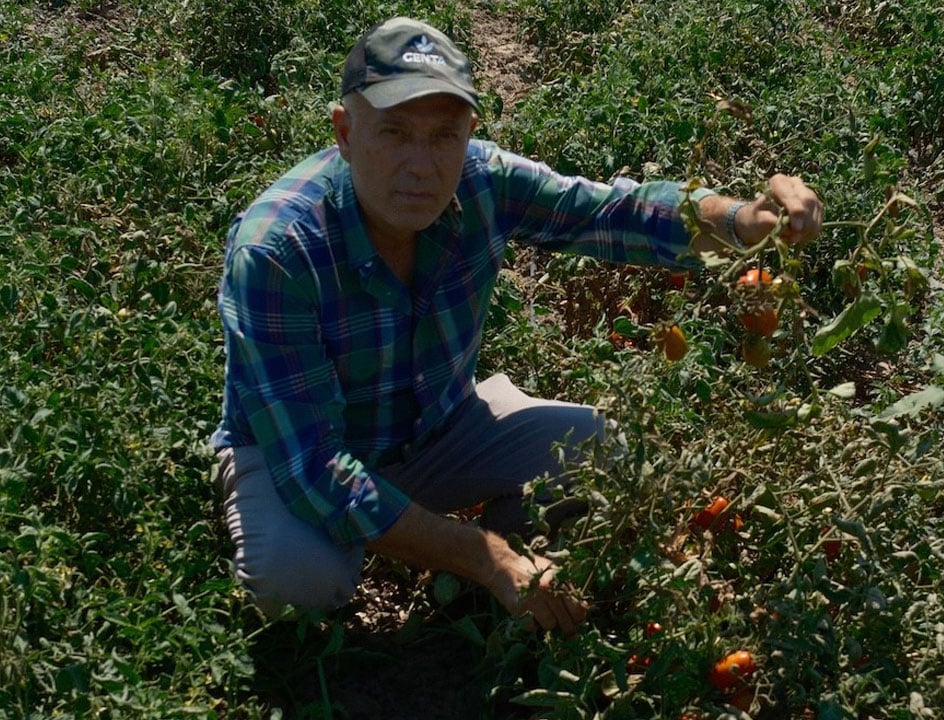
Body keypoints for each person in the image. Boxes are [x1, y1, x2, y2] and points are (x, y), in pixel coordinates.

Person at [211, 16, 823, 635]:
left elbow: (614, 211)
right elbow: (314, 467)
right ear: (345, 132)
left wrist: (742, 218)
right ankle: (447, 542)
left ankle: (475, 503)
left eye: (443, 136)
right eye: (394, 133)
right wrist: (488, 558)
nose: (420, 165)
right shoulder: (278, 252)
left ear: (469, 133)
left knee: (608, 453)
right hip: (302, 453)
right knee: (296, 583)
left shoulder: (482, 180)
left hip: (440, 428)